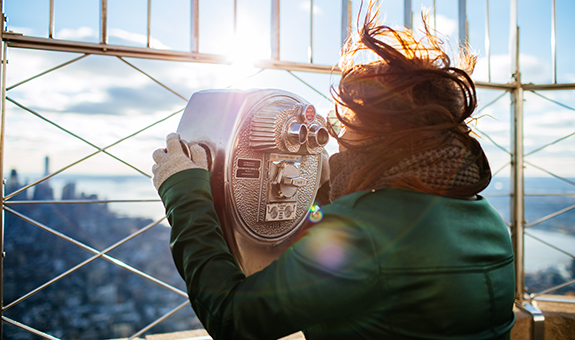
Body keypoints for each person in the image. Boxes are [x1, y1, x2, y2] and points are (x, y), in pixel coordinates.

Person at [152, 4, 516, 340]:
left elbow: (233, 317)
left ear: (381, 133)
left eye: (350, 122)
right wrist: (318, 195)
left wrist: (184, 191)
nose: (340, 136)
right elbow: (354, 276)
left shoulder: (366, 230)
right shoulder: (487, 219)